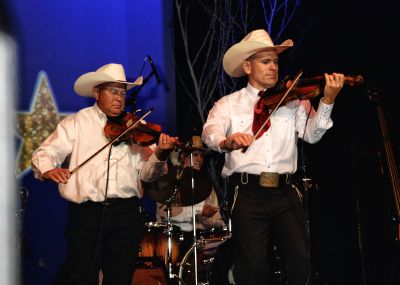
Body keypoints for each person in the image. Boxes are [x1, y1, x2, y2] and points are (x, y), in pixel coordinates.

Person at [201, 29, 345, 285]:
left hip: (285, 191)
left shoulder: (293, 101)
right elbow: (209, 133)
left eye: (276, 62)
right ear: (247, 66)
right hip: (247, 192)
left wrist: (327, 101)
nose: (273, 67)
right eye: (265, 61)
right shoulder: (228, 104)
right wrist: (226, 141)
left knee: (300, 261)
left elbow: (312, 135)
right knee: (253, 267)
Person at [31, 63, 179, 285]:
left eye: (122, 92)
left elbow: (148, 175)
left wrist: (162, 154)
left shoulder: (136, 126)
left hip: (126, 213)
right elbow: (46, 152)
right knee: (80, 276)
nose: (119, 98)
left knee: (119, 278)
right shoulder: (76, 122)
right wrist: (48, 169)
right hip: (86, 213)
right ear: (96, 92)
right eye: (113, 91)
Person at [156, 136, 225, 260]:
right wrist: (199, 212)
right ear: (183, 156)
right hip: (177, 240)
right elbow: (167, 214)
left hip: (201, 241)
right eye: (195, 155)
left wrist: (216, 221)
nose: (199, 159)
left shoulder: (208, 186)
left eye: (202, 156)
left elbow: (217, 220)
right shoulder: (170, 182)